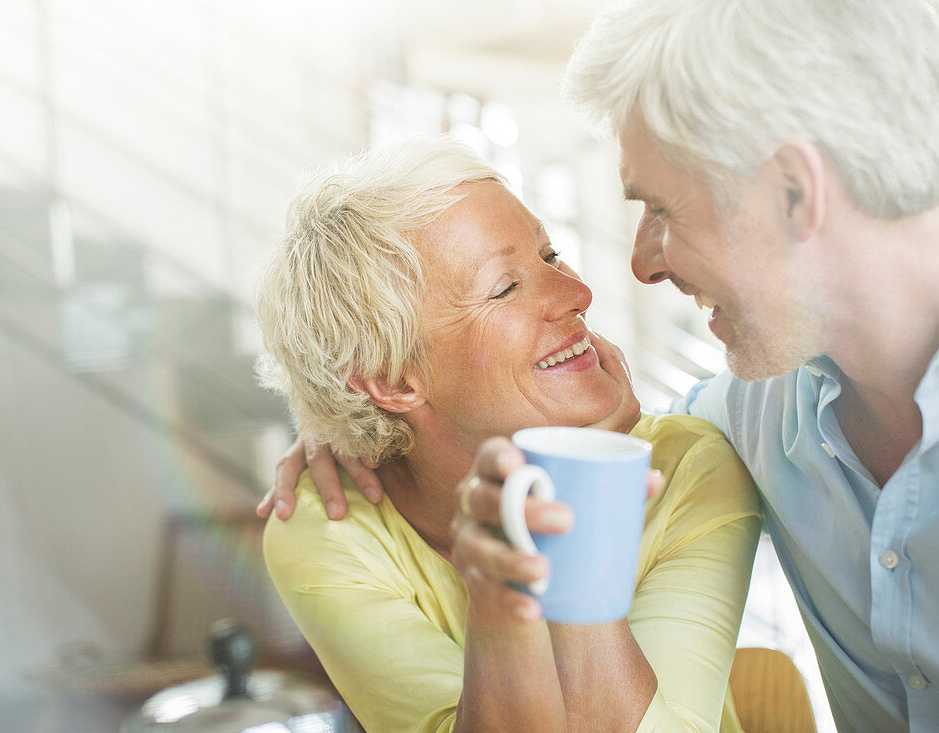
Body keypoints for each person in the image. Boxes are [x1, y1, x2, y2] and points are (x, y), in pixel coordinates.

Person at [260, 1, 939, 730]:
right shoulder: (758, 418)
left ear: (797, 191)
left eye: (660, 208)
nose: (632, 268)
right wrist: (351, 424)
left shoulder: (740, 434)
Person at [257, 137, 761, 732]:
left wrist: (583, 479)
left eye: (549, 257)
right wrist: (501, 609)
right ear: (391, 381)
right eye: (504, 288)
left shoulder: (687, 471)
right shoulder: (331, 527)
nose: (577, 295)